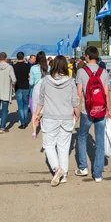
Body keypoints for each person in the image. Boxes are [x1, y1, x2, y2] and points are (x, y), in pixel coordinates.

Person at [33, 56, 79, 187]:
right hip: (66, 117)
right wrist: (77, 113)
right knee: (64, 147)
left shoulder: (46, 81)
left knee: (49, 145)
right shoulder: (71, 81)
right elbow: (74, 100)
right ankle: (63, 176)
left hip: (49, 117)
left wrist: (36, 114)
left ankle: (57, 168)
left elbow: (41, 100)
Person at [75, 46, 111, 182]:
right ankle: (98, 174)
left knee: (82, 136)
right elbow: (106, 93)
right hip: (101, 109)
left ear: (88, 56)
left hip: (87, 110)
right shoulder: (104, 72)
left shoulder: (81, 72)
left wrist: (76, 110)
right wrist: (109, 110)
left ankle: (83, 167)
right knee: (100, 140)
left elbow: (79, 94)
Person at [0, 52, 16, 134]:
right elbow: (14, 79)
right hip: (5, 91)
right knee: (5, 110)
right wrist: (11, 83)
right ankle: (2, 127)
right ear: (6, 58)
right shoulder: (9, 67)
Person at [29, 51, 49, 139]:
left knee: (35, 111)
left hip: (37, 89)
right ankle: (46, 130)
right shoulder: (49, 67)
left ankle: (34, 132)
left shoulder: (33, 68)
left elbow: (31, 82)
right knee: (46, 111)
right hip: (47, 89)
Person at [13, 51, 31, 129]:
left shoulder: (14, 66)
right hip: (26, 86)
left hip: (18, 86)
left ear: (17, 57)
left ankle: (22, 122)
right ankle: (26, 121)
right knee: (25, 104)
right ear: (23, 57)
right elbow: (29, 76)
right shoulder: (28, 66)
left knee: (20, 105)